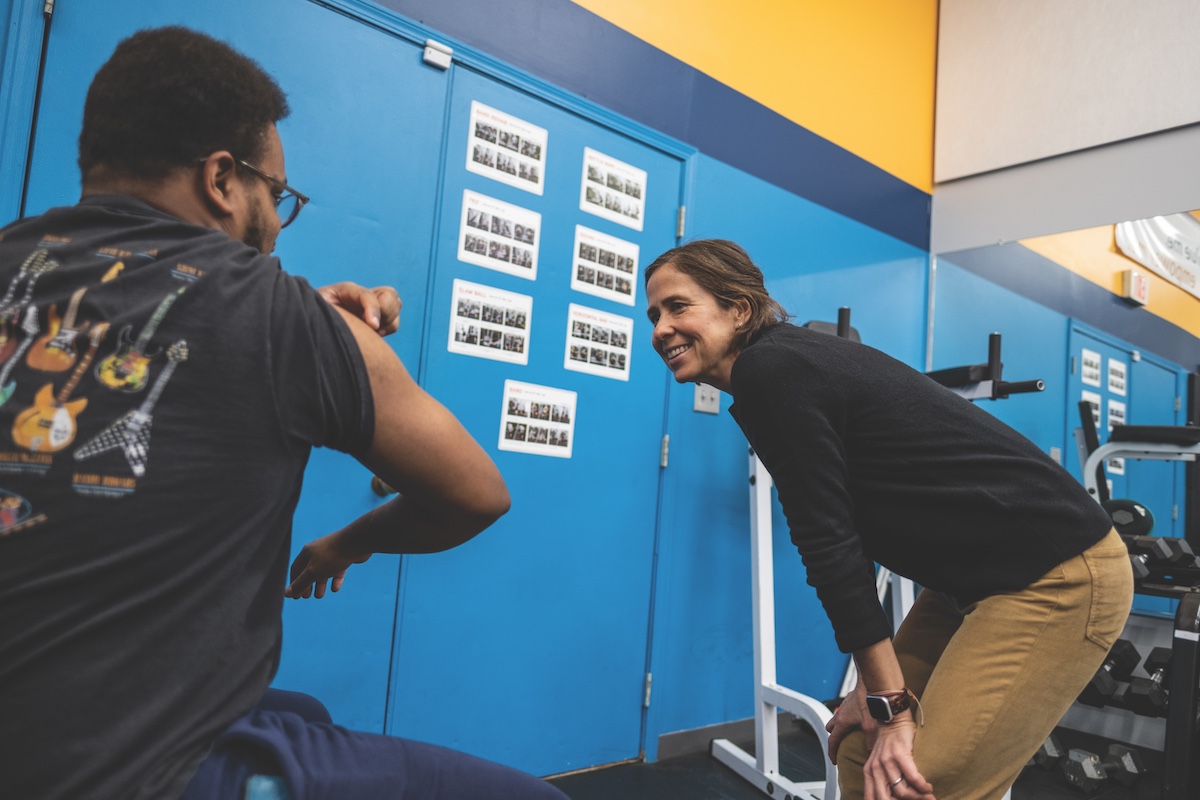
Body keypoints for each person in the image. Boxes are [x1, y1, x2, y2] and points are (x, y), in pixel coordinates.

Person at [0, 26, 568, 800]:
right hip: (130, 772)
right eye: (278, 196)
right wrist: (346, 544)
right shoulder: (288, 319)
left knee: (305, 709)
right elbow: (475, 494)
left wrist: (299, 314)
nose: (275, 220)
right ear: (223, 180)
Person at [644, 239, 1133, 800]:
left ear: (740, 309)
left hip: (1056, 577)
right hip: (968, 585)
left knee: (922, 776)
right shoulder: (769, 373)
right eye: (655, 315)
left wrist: (892, 701)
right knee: (859, 746)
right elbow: (833, 533)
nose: (661, 328)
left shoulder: (771, 369)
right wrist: (880, 696)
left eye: (679, 307)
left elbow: (829, 545)